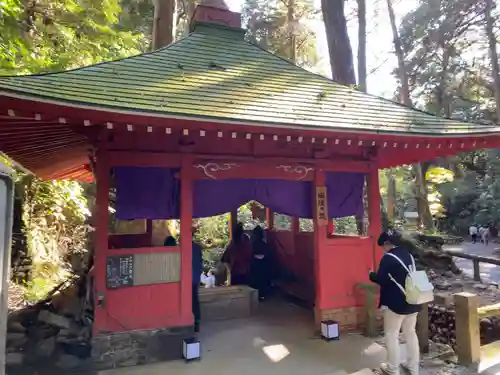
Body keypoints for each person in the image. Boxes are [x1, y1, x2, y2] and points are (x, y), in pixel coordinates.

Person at [370, 230, 421, 375]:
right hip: (413, 299)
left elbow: (381, 279)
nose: (383, 249)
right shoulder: (408, 255)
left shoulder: (388, 258)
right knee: (410, 333)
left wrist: (371, 275)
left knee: (391, 335)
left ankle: (393, 368)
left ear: (387, 243)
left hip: (396, 303)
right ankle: (413, 367)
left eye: (382, 246)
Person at [249, 225, 273, 300]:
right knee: (262, 280)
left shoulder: (251, 243)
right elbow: (269, 252)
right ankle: (262, 295)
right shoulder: (263, 243)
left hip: (254, 265)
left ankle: (256, 296)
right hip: (262, 265)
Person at [191, 228, 203, 333]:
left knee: (191, 300)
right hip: (195, 277)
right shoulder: (197, 248)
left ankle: (194, 322)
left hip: (188, 278)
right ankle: (197, 322)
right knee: (195, 299)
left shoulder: (182, 248)